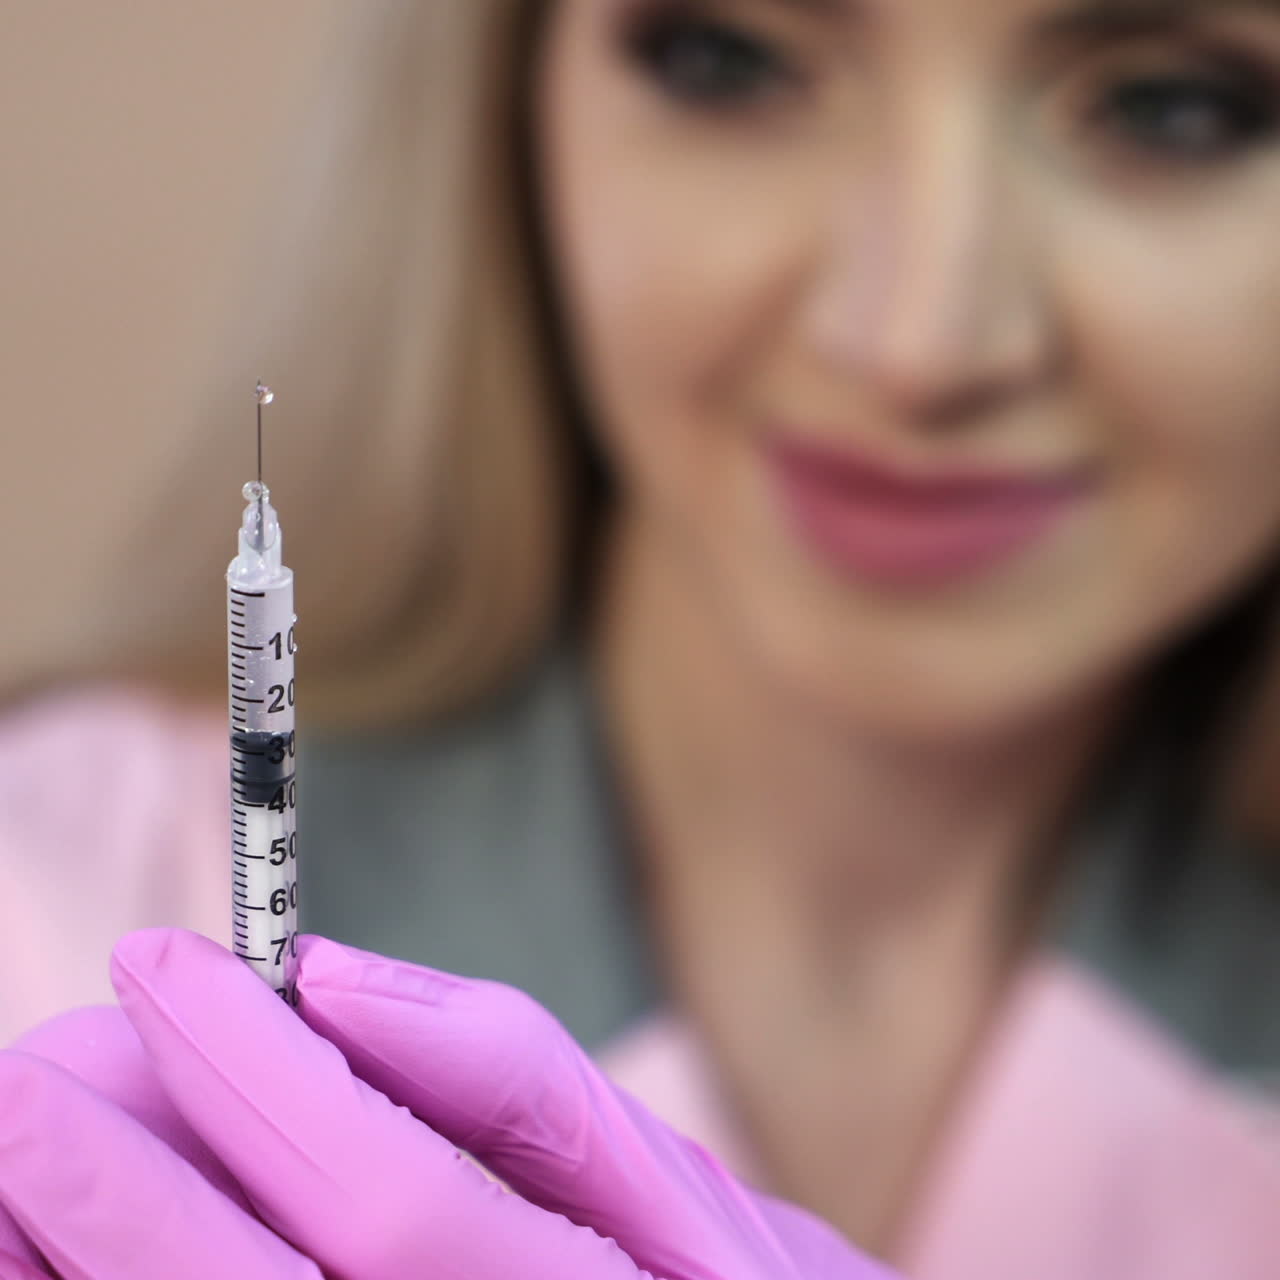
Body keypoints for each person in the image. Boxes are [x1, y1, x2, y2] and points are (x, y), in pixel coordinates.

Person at [2, 0, 1279, 1274]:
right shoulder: (49, 901)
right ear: (508, 96)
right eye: (729, 59)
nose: (915, 344)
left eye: (1169, 108)